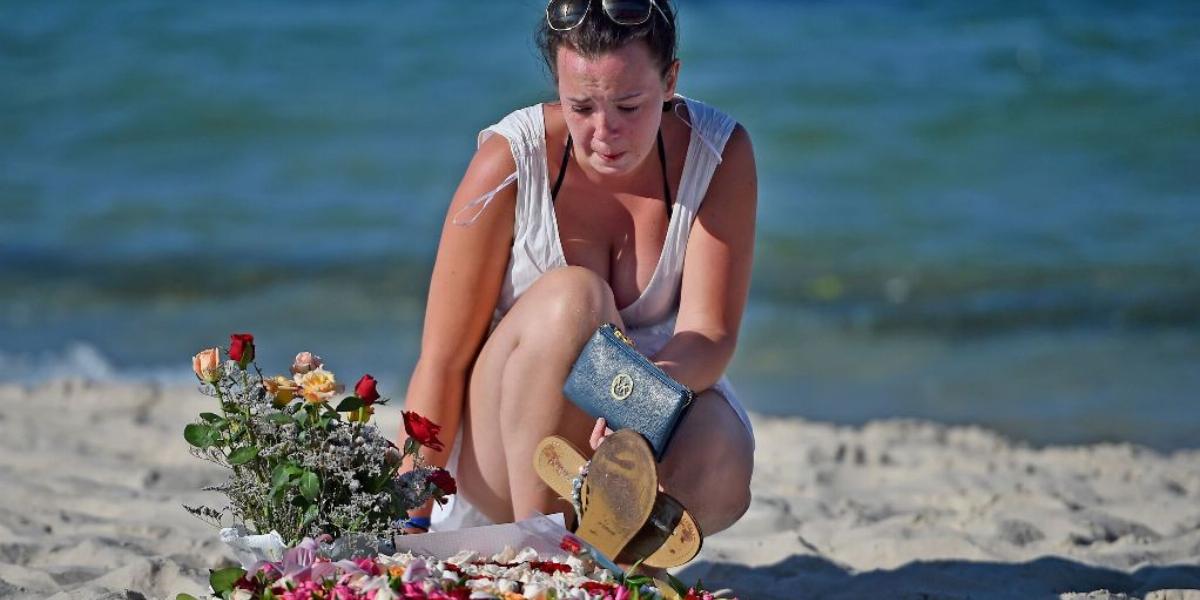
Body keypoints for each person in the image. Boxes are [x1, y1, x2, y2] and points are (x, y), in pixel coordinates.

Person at [400, 0, 756, 540]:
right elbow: (443, 361)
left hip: (636, 427)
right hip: (508, 449)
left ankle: (598, 566)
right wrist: (410, 510)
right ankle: (540, 550)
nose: (604, 133)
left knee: (720, 452)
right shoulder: (511, 159)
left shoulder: (717, 151)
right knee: (574, 297)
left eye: (630, 107)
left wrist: (631, 398)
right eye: (582, 107)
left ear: (671, 80)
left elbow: (708, 334)